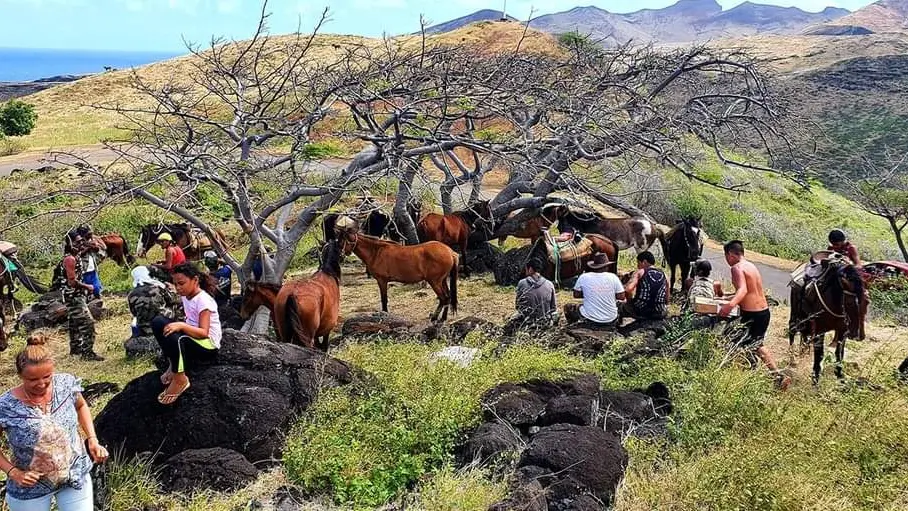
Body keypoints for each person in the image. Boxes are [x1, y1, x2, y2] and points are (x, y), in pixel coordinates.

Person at [0, 333, 109, 511]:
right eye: (33, 380)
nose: (42, 384)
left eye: (47, 377)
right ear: (20, 376)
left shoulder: (66, 384)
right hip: (30, 488)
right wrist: (13, 472)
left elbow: (81, 406)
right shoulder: (5, 405)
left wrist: (92, 440)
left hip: (74, 474)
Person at [719, 240, 791, 390]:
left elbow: (743, 291)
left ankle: (774, 375)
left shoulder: (736, 268)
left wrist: (729, 306)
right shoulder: (751, 266)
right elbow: (749, 291)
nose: (726, 261)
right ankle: (775, 375)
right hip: (763, 312)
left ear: (731, 254)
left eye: (726, 256)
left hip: (752, 314)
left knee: (734, 339)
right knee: (755, 344)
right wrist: (727, 296)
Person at [151, 263, 222, 405]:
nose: (178, 288)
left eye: (181, 283)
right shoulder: (186, 296)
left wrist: (182, 325)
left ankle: (180, 378)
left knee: (177, 337)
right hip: (192, 336)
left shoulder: (203, 300)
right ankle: (173, 365)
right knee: (158, 322)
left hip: (207, 344)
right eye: (175, 284)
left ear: (195, 280)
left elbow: (203, 332)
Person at [54, 234, 103, 361]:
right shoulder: (70, 259)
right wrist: (87, 286)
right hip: (73, 296)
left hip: (76, 295)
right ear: (70, 245)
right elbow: (71, 281)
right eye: (77, 242)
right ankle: (87, 352)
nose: (81, 244)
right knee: (88, 323)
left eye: (82, 241)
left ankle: (75, 348)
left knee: (74, 323)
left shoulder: (77, 256)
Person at [563, 253, 625, 328]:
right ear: (607, 267)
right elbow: (621, 296)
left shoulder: (584, 277)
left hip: (589, 319)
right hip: (610, 319)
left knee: (568, 307)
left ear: (594, 266)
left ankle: (573, 325)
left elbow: (576, 295)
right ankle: (617, 325)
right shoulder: (613, 277)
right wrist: (605, 293)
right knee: (621, 305)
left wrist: (590, 293)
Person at [127, 266, 181, 338]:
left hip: (144, 326)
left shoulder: (131, 294)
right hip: (162, 321)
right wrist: (174, 291)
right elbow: (175, 300)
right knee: (178, 307)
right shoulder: (158, 287)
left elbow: (134, 312)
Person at [507, 259, 557, 332]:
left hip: (527, 324)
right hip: (545, 324)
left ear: (530, 269)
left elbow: (518, 306)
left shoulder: (522, 283)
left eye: (526, 269)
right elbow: (553, 308)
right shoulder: (549, 284)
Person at [622, 251, 670, 320]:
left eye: (638, 263)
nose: (637, 266)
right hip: (659, 311)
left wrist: (630, 302)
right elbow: (667, 298)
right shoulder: (664, 274)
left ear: (644, 262)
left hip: (641, 310)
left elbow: (628, 290)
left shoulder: (640, 272)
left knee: (619, 306)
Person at [75, 225, 105, 300]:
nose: (90, 235)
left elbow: (101, 248)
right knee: (85, 292)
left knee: (97, 289)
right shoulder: (77, 243)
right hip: (83, 272)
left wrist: (91, 245)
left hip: (93, 270)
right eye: (88, 234)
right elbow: (78, 254)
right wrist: (88, 247)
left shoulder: (91, 241)